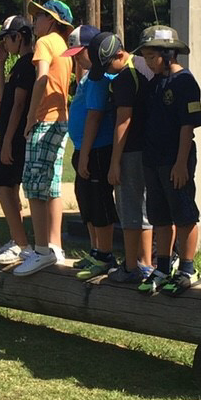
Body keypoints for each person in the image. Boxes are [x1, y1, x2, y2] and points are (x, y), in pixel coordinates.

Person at [135, 26, 201, 296]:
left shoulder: (185, 82)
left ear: (168, 53)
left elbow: (188, 126)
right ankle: (163, 267)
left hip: (176, 160)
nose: (149, 62)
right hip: (153, 159)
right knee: (160, 217)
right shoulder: (154, 83)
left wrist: (180, 163)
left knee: (184, 214)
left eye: (152, 56)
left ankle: (188, 268)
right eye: (146, 57)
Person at [14, 0, 74, 276]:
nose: (34, 21)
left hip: (44, 119)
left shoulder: (45, 43)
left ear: (52, 21)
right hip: (61, 120)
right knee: (51, 186)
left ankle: (40, 250)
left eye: (39, 16)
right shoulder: (64, 46)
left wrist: (30, 117)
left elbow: (41, 78)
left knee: (34, 185)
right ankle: (55, 246)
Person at [66, 28, 120, 282]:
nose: (76, 59)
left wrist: (85, 154)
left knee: (99, 203)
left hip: (97, 149)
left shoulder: (99, 78)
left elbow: (95, 116)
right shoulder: (88, 76)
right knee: (85, 200)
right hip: (83, 149)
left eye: (80, 53)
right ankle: (95, 249)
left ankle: (105, 254)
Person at [105, 39, 155, 290]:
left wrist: (115, 162)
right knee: (142, 207)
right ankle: (144, 262)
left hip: (130, 152)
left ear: (120, 55)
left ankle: (133, 266)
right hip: (144, 150)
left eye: (108, 63)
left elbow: (123, 122)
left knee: (129, 209)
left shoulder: (125, 79)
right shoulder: (139, 71)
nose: (107, 69)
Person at [0, 15, 36, 267]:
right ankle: (17, 240)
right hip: (9, 135)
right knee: (8, 188)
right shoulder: (18, 65)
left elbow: (19, 105)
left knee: (2, 186)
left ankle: (22, 244)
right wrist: (0, 62)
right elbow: (1, 98)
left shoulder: (29, 65)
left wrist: (7, 141)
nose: (4, 44)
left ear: (19, 37)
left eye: (6, 39)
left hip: (16, 137)